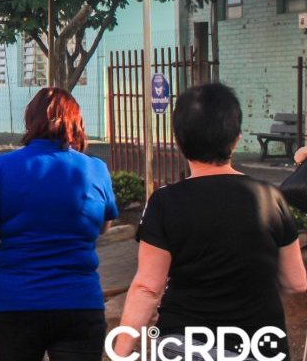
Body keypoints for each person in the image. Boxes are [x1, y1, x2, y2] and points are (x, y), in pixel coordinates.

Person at [114, 83, 307, 360]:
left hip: (184, 345)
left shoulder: (164, 202)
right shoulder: (270, 197)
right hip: (260, 346)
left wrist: (120, 352)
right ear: (236, 138)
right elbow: (297, 281)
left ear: (179, 141)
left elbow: (147, 288)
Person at [0, 87, 117, 361]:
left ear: (30, 121)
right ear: (76, 123)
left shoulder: (2, 168)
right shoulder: (96, 169)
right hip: (79, 303)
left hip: (16, 305)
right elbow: (103, 227)